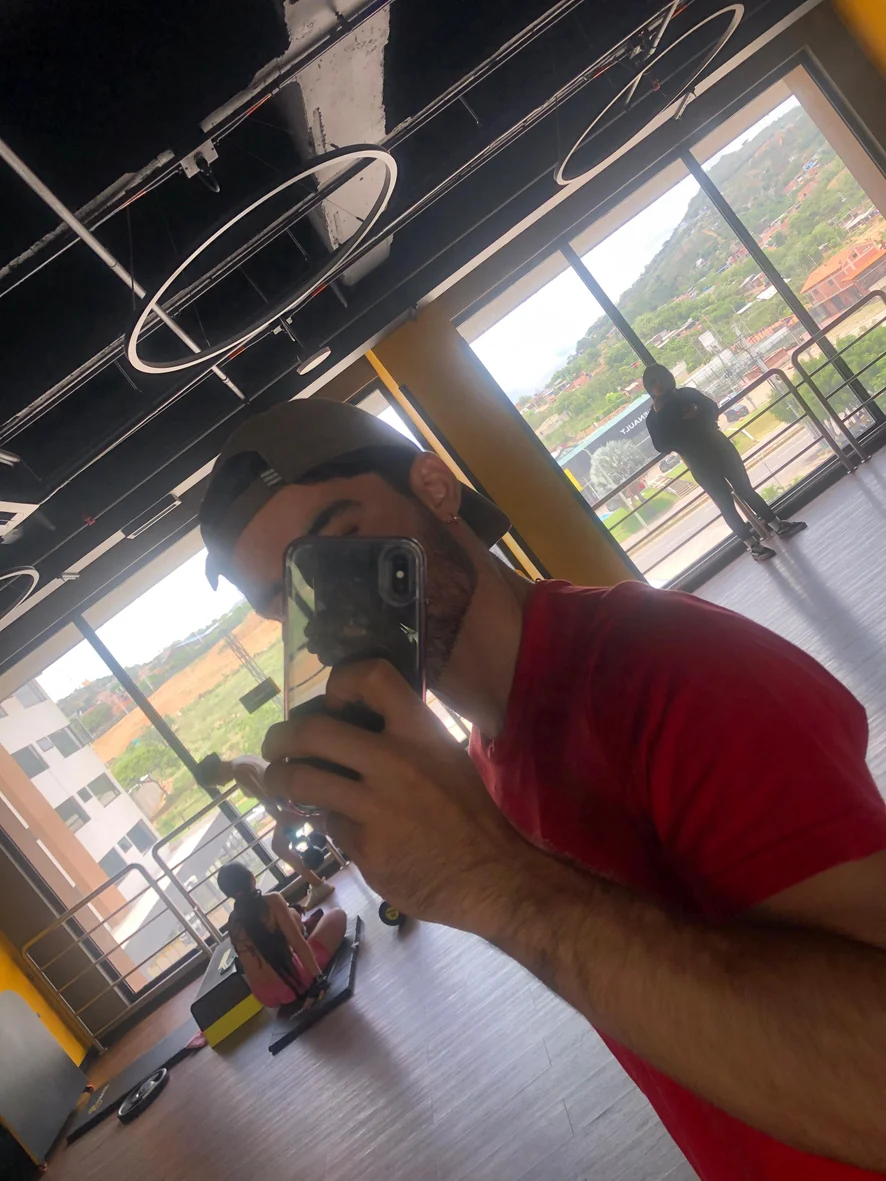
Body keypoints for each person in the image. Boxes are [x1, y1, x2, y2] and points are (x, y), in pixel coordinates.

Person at [199, 397, 886, 1180]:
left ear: (435, 488)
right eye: (287, 599)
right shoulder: (486, 763)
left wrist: (497, 881)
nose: (327, 611)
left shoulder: (674, 667)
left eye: (341, 545)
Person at [643, 362, 807, 562]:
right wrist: (662, 416)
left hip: (718, 446)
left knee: (745, 489)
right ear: (649, 387)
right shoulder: (653, 418)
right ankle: (753, 545)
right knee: (726, 504)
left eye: (661, 378)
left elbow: (712, 408)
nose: (659, 384)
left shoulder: (686, 394)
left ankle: (777, 525)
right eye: (654, 382)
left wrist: (698, 413)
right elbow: (663, 446)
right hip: (698, 460)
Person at [207, 753, 333, 910]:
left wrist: (284, 823)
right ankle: (318, 884)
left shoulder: (240, 773)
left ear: (216, 772)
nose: (220, 785)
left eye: (215, 782)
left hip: (290, 803)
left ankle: (319, 885)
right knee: (322, 826)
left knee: (279, 847)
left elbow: (266, 800)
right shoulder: (241, 760)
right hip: (291, 799)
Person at [217, 861, 346, 1009]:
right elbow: (298, 944)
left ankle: (305, 925)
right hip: (296, 982)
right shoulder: (272, 900)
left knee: (290, 914)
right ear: (251, 877)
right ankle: (306, 927)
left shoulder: (232, 923)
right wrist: (319, 979)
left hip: (266, 996)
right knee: (337, 915)